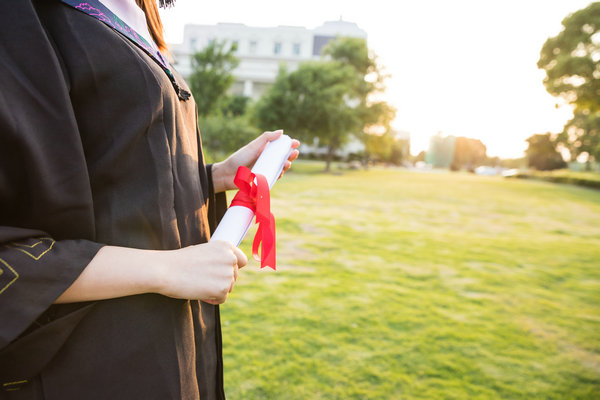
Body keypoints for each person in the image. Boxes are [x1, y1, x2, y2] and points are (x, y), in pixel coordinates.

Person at [0, 0, 299, 398]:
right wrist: (165, 268)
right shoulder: (23, 16)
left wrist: (212, 178)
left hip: (182, 340)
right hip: (92, 363)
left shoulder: (141, 15)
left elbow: (116, 179)